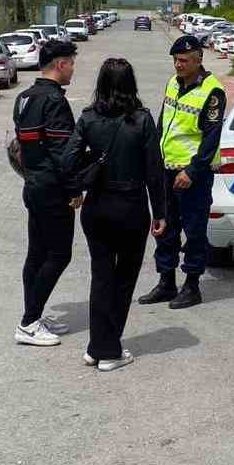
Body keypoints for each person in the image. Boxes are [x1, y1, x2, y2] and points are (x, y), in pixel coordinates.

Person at [60, 58, 168, 372]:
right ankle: (109, 350)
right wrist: (160, 211)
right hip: (131, 207)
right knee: (124, 279)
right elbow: (154, 170)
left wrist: (76, 189)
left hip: (96, 208)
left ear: (102, 84)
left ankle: (97, 346)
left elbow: (68, 161)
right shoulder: (142, 120)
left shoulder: (88, 118)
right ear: (130, 84)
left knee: (102, 276)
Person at [137, 35, 226, 310]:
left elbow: (211, 137)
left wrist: (192, 170)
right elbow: (165, 123)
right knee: (165, 228)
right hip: (166, 169)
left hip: (192, 175)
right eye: (176, 60)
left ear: (199, 60)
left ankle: (192, 286)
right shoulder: (172, 83)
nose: (178, 65)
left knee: (194, 230)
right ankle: (166, 282)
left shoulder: (212, 91)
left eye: (184, 60)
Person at [13, 38, 79, 347]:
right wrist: (74, 189)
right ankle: (28, 323)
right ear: (60, 64)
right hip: (52, 190)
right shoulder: (54, 101)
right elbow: (61, 152)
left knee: (37, 254)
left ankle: (34, 315)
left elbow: (20, 148)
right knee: (59, 254)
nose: (73, 69)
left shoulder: (24, 97)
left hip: (34, 185)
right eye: (72, 63)